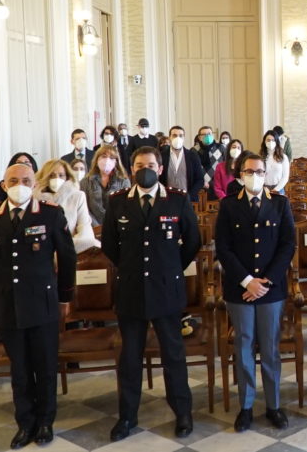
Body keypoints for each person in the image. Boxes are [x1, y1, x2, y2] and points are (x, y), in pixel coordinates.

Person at [101, 146, 200, 442]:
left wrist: (170, 268)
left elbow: (192, 241)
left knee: (173, 355)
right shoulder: (118, 202)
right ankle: (127, 415)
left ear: (160, 169)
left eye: (151, 164)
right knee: (130, 358)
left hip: (167, 290)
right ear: (132, 169)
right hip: (131, 290)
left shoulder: (177, 201)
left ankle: (182, 412)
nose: (146, 168)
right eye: (140, 164)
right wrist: (131, 268)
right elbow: (109, 244)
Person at [0, 163, 77, 449]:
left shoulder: (50, 214)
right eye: (13, 180)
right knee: (19, 369)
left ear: (34, 184)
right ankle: (26, 422)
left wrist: (64, 297)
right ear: (4, 185)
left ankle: (45, 421)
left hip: (42, 304)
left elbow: (67, 258)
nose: (19, 184)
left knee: (45, 367)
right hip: (7, 305)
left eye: (25, 180)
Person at [215, 153, 296, 432]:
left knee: (271, 349)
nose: (255, 176)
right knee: (244, 346)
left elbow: (288, 245)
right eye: (249, 171)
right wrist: (247, 281)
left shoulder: (280, 204)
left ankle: (273, 406)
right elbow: (223, 248)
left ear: (266, 174)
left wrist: (265, 281)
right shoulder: (228, 206)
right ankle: (246, 406)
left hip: (271, 290)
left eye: (259, 171)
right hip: (240, 290)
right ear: (240, 175)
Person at [34, 159, 98, 252]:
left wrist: (64, 247)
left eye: (61, 175)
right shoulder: (34, 199)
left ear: (67, 177)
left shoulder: (78, 196)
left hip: (72, 249)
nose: (56, 179)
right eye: (52, 175)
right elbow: (32, 230)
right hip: (42, 251)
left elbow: (85, 229)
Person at [79, 145, 131, 226]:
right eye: (104, 156)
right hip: (91, 227)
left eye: (111, 158)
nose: (107, 160)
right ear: (96, 160)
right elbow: (84, 208)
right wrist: (97, 227)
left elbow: (125, 207)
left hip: (116, 226)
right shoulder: (85, 181)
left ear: (116, 162)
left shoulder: (124, 181)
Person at [159, 126, 204, 203]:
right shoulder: (161, 156)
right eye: (174, 135)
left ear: (184, 138)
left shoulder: (192, 156)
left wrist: (190, 196)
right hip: (167, 200)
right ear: (169, 137)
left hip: (188, 200)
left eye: (180, 136)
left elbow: (200, 180)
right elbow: (158, 178)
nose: (178, 138)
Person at [193, 125, 224, 199]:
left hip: (218, 185)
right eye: (204, 134)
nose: (207, 136)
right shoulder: (194, 150)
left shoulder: (221, 148)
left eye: (209, 133)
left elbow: (225, 166)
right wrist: (202, 181)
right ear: (199, 137)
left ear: (212, 135)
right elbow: (194, 169)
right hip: (201, 186)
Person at [260, 130, 291, 194]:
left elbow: (285, 177)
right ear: (264, 142)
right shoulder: (260, 157)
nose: (270, 142)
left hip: (278, 189)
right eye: (268, 140)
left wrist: (276, 189)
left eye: (273, 140)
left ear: (276, 142)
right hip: (264, 189)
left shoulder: (283, 157)